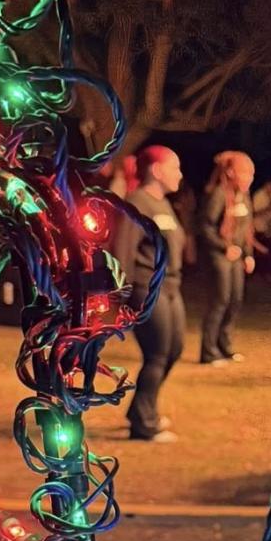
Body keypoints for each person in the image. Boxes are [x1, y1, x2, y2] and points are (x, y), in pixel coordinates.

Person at [113, 146, 187, 442]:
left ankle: (141, 410)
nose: (180, 174)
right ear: (156, 171)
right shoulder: (137, 203)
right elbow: (123, 251)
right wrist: (124, 294)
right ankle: (143, 425)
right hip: (147, 288)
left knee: (174, 350)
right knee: (156, 354)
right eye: (175, 167)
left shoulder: (163, 204)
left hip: (171, 286)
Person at [198, 150, 256, 365]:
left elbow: (246, 228)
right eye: (245, 173)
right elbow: (205, 226)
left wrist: (248, 255)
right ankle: (208, 352)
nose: (249, 179)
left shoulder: (244, 196)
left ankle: (225, 346)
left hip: (236, 257)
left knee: (235, 300)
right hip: (219, 256)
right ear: (231, 173)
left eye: (251, 174)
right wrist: (224, 247)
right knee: (220, 301)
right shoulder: (219, 195)